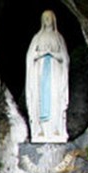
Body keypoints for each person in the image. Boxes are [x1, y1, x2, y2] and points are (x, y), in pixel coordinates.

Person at [26, 10, 70, 143]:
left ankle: (56, 130)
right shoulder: (37, 38)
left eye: (49, 17)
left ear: (53, 19)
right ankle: (41, 131)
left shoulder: (58, 38)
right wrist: (42, 54)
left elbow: (65, 58)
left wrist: (53, 55)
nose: (47, 20)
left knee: (55, 100)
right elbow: (30, 57)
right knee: (40, 100)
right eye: (44, 18)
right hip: (40, 74)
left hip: (55, 74)